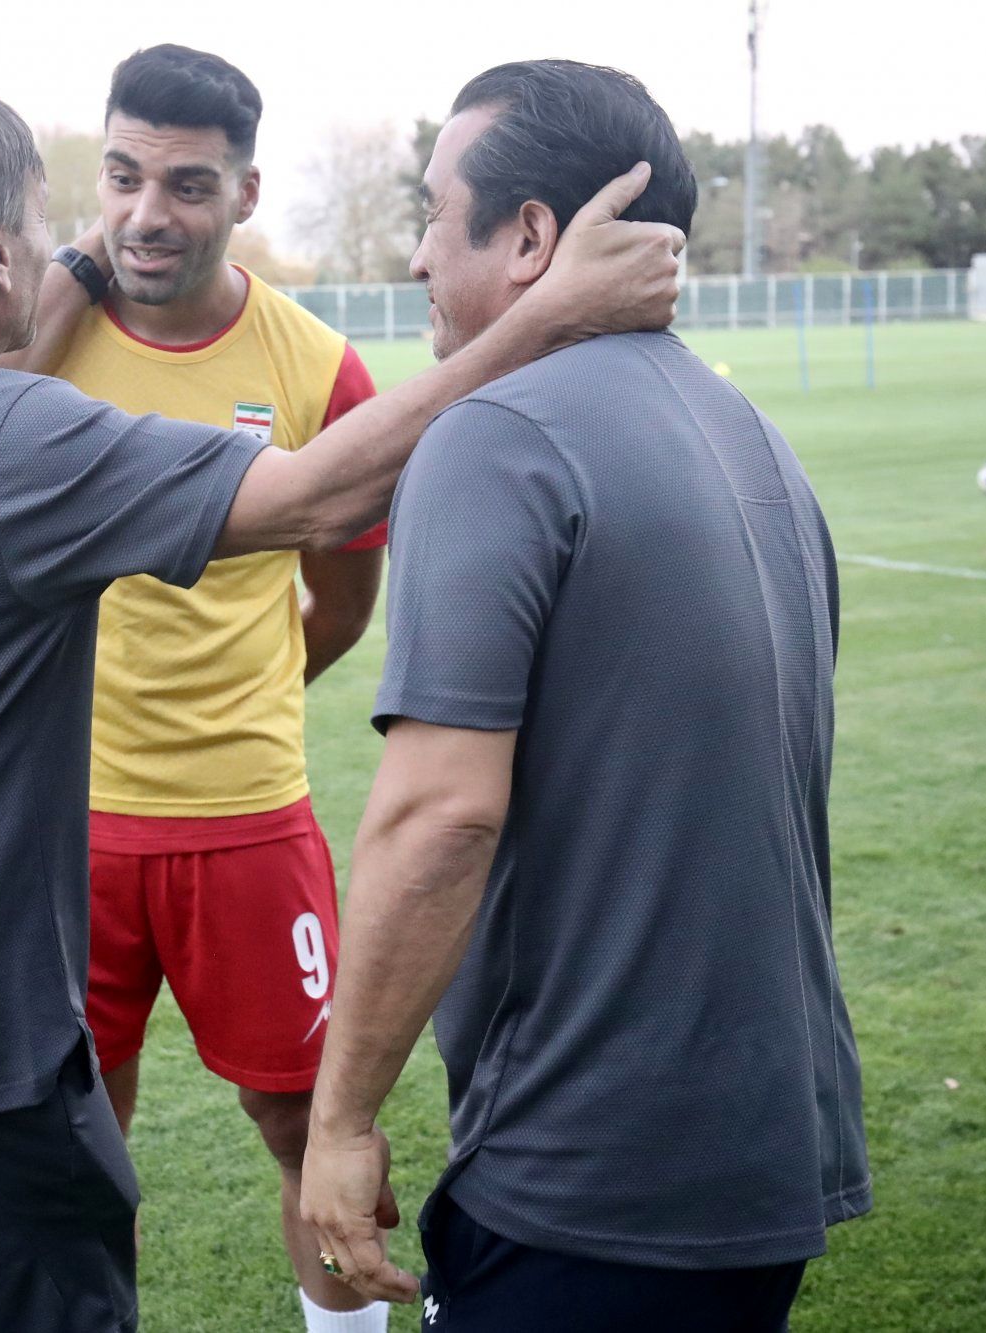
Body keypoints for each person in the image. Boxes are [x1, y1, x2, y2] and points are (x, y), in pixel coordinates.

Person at [0, 77, 683, 1333]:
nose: (104, 233)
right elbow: (318, 500)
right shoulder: (10, 437)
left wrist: (68, 258)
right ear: (0, 253)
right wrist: (551, 314)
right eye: (62, 214)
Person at [299, 61, 870, 1332]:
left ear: (531, 238)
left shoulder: (492, 437)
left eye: (435, 213)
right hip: (762, 1151)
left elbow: (439, 816)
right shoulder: (753, 438)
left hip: (591, 1172)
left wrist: (338, 1122)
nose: (412, 256)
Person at [11, 45, 390, 1333]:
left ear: (246, 192)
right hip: (67, 826)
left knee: (303, 1123)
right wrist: (54, 297)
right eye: (121, 176)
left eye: (185, 184)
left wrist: (254, 695)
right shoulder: (37, 348)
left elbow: (341, 596)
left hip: (246, 822)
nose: (144, 213)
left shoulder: (316, 367)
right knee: (74, 1137)